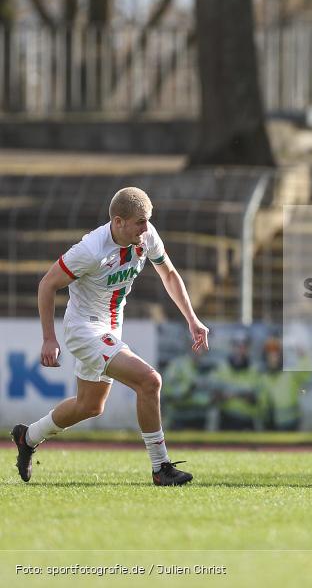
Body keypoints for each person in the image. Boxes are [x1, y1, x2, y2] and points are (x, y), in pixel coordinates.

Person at [11, 187, 209, 486]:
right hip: (84, 329)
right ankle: (161, 467)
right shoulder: (90, 249)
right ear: (118, 222)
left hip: (110, 327)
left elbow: (168, 274)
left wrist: (192, 319)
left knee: (90, 405)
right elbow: (47, 285)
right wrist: (49, 338)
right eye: (140, 222)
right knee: (150, 380)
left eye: (147, 221)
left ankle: (28, 436)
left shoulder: (146, 235)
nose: (146, 228)